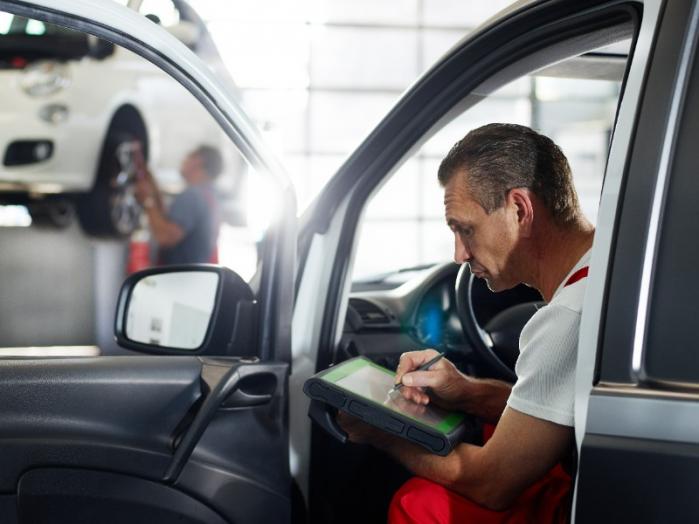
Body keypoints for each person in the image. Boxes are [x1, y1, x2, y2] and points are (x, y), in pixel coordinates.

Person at [339, 123, 595, 523]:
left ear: (519, 210)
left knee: (420, 504)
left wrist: (380, 432)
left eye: (466, 229)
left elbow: (492, 484)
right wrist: (464, 392)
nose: (458, 254)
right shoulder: (605, 266)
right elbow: (558, 414)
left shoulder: (568, 317)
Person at [135, 144, 223, 265]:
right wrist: (150, 180)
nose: (183, 160)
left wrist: (147, 201)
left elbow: (165, 236)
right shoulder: (209, 196)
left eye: (188, 156)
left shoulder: (193, 196)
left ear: (198, 161)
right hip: (190, 277)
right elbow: (167, 220)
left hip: (177, 279)